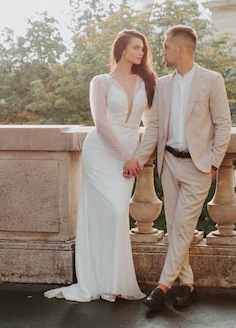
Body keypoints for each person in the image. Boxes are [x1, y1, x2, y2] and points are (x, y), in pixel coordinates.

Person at [123, 25, 231, 311]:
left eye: (165, 46)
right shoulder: (164, 85)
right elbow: (155, 127)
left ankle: (162, 286)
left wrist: (212, 163)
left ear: (180, 48)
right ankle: (188, 284)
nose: (162, 51)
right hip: (168, 163)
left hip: (198, 167)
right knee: (175, 229)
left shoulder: (212, 80)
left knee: (182, 226)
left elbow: (223, 125)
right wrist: (136, 158)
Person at [45, 30, 157, 302]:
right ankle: (97, 281)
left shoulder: (147, 81)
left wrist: (138, 158)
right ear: (121, 49)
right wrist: (125, 157)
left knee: (118, 213)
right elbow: (102, 124)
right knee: (104, 214)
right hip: (101, 154)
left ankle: (115, 282)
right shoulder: (101, 82)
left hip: (129, 158)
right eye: (136, 47)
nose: (142, 53)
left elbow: (150, 123)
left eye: (143, 48)